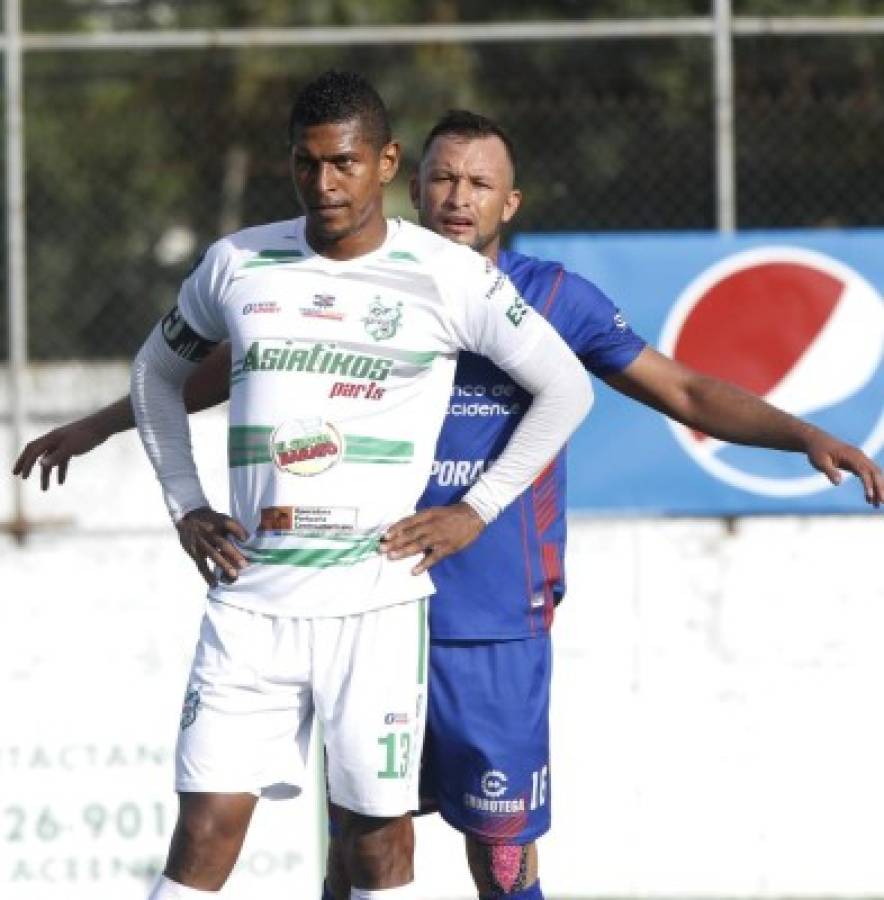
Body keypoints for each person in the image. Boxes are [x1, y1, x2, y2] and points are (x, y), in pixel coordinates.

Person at [14, 109, 884, 900]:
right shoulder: (376, 278)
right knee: (359, 851)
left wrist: (802, 432)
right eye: (442, 179)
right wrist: (96, 427)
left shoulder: (552, 303)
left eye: (479, 184)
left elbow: (685, 391)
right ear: (410, 180)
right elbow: (218, 370)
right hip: (367, 602)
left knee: (500, 861)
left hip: (491, 617)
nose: (457, 198)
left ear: (511, 202)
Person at [42, 73, 593, 900]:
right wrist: (185, 504)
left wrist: (475, 511)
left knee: (377, 853)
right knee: (202, 835)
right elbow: (157, 374)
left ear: (384, 163)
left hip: (373, 606)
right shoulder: (237, 262)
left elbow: (567, 390)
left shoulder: (446, 274)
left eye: (343, 164)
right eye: (307, 164)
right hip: (251, 603)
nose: (325, 185)